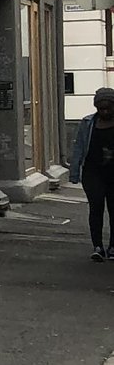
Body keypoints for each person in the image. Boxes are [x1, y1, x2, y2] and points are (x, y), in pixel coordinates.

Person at [77, 87, 114, 259]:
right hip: (93, 172)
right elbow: (79, 147)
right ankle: (97, 246)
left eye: (108, 108)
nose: (105, 111)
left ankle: (113, 246)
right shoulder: (87, 123)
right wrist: (74, 172)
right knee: (96, 207)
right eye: (101, 108)